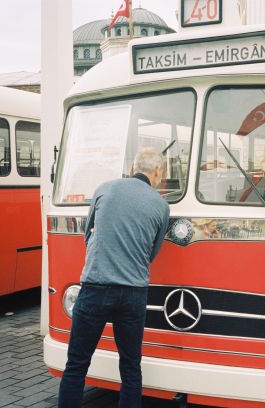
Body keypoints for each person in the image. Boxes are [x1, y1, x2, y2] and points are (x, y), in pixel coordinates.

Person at [58, 148, 170, 408]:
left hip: (96, 286)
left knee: (76, 363)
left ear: (133, 167)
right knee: (131, 366)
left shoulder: (104, 189)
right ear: (157, 173)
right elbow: (151, 253)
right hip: (133, 292)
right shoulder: (161, 206)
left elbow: (88, 234)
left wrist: (105, 259)